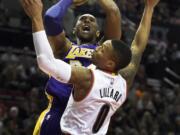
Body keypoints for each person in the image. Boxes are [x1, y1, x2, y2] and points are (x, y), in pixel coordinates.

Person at [21, 0, 159, 134]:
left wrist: (38, 17)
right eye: (82, 19)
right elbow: (137, 48)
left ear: (99, 34)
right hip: (62, 113)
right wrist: (149, 8)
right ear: (74, 30)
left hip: (68, 117)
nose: (87, 21)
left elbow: (113, 12)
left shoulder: (99, 62)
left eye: (92, 20)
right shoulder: (67, 47)